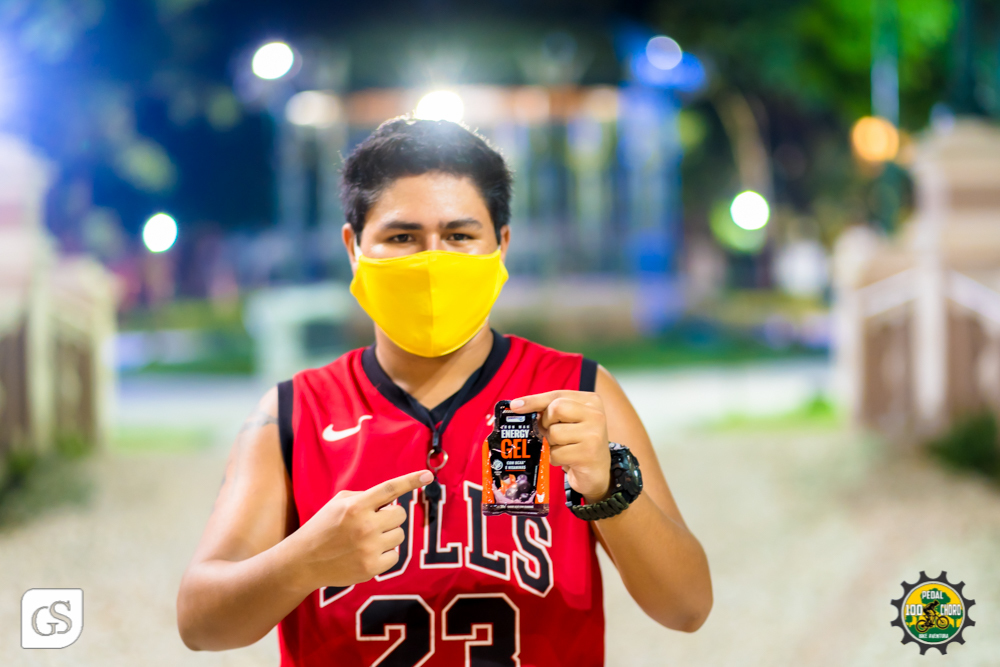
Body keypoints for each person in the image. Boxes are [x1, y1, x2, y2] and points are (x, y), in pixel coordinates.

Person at [177, 118, 712, 666]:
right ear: (353, 247)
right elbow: (200, 622)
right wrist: (302, 561)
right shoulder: (294, 413)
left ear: (500, 245)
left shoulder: (574, 393)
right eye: (402, 237)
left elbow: (686, 606)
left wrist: (607, 490)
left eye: (459, 236)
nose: (433, 260)